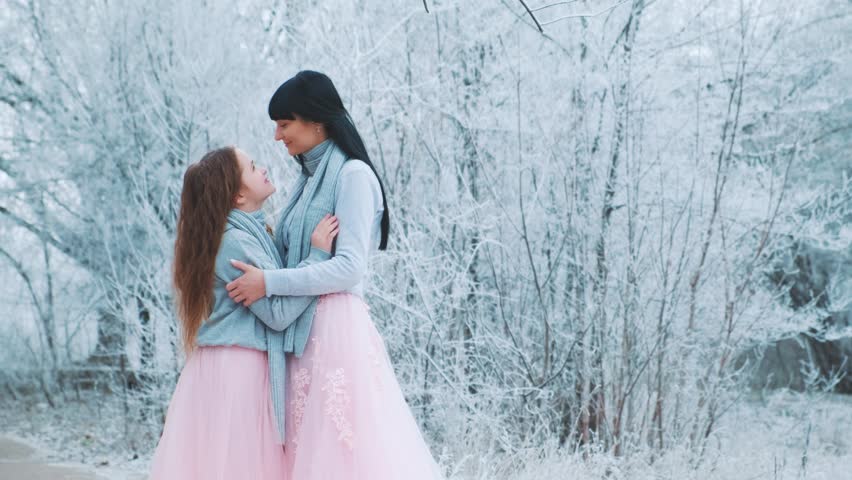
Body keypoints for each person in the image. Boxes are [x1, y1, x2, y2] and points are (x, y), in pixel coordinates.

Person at [226, 70, 445, 479]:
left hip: (335, 333)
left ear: (316, 120)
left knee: (342, 455)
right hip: (300, 332)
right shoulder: (305, 180)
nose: (277, 136)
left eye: (284, 123)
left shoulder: (353, 176)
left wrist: (268, 282)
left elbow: (348, 268)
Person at [148, 145, 339, 479]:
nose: (262, 168)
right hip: (238, 372)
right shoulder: (235, 242)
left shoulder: (246, 234)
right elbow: (277, 313)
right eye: (252, 167)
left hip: (229, 366)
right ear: (237, 196)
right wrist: (318, 259)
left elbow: (275, 291)